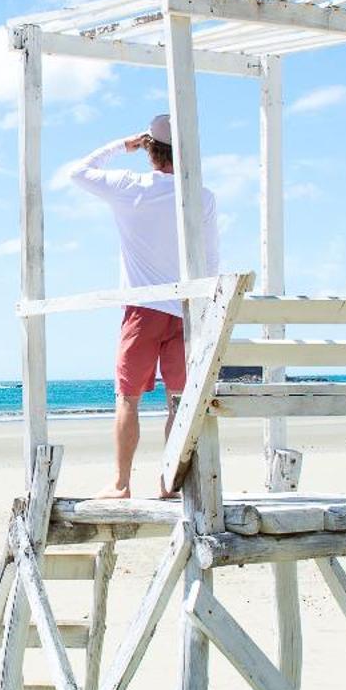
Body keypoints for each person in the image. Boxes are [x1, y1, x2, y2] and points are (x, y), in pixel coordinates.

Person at [67, 112, 219, 499]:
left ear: (149, 150)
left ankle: (121, 483)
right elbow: (212, 260)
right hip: (186, 308)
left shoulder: (129, 186)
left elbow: (78, 172)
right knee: (178, 404)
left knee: (128, 399)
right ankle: (170, 484)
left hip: (143, 309)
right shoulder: (202, 196)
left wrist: (122, 145)